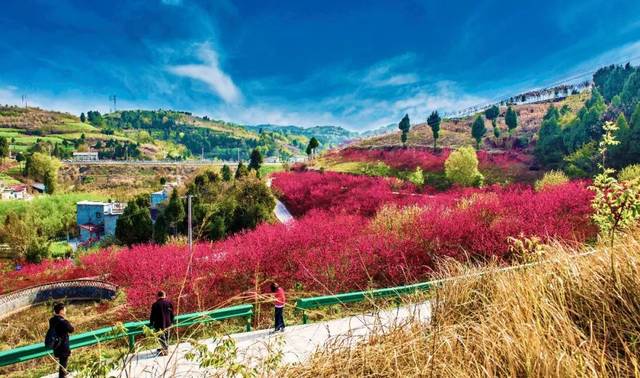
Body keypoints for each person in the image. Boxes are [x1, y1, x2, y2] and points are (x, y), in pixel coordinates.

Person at [48, 303, 74, 378]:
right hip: (63, 345)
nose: (65, 311)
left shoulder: (52, 320)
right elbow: (71, 329)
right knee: (63, 362)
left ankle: (64, 373)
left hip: (56, 344)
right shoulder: (63, 321)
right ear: (61, 311)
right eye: (64, 309)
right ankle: (62, 375)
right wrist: (65, 320)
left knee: (62, 362)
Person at [149, 290, 175, 356]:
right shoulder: (169, 303)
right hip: (168, 323)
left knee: (161, 337)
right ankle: (165, 348)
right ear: (164, 295)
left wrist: (151, 323)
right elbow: (172, 314)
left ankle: (165, 350)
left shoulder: (155, 305)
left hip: (159, 324)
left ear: (157, 296)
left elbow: (152, 315)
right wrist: (172, 321)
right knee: (166, 337)